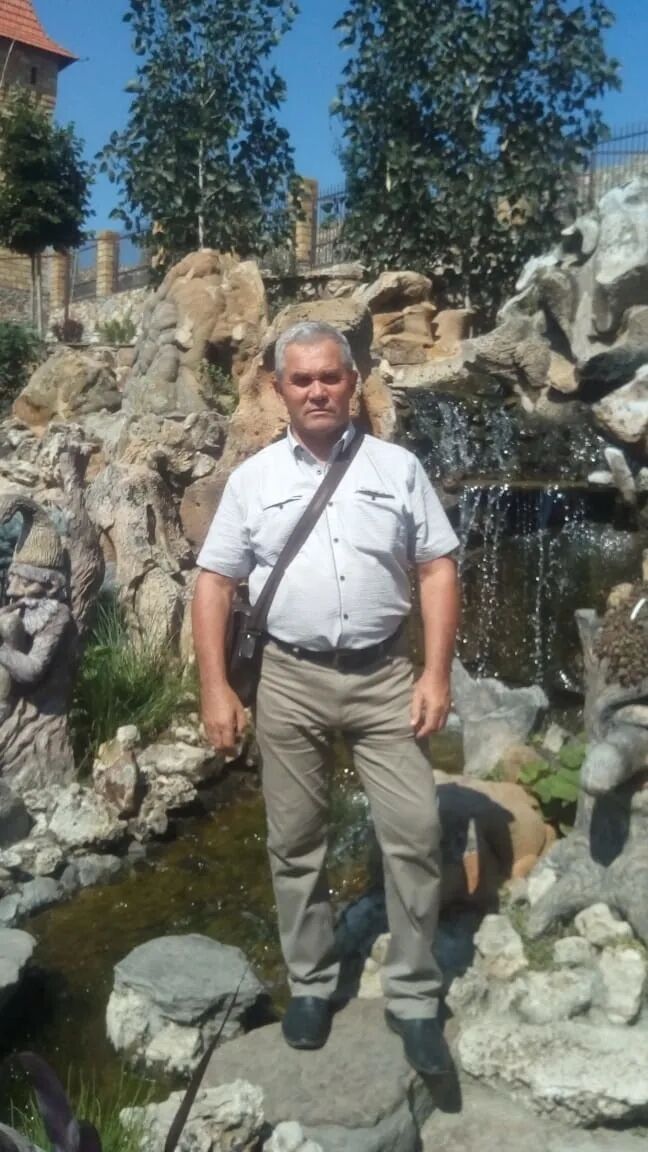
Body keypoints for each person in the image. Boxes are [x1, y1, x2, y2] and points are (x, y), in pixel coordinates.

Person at [192, 320, 460, 1075]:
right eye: (302, 379)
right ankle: (310, 983)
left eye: (330, 377)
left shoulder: (398, 468)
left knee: (415, 833)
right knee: (295, 840)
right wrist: (215, 687)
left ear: (353, 383)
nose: (317, 390)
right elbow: (214, 583)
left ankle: (413, 996)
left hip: (384, 678)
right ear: (279, 389)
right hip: (290, 679)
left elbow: (437, 568)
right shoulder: (252, 481)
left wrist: (436, 674)